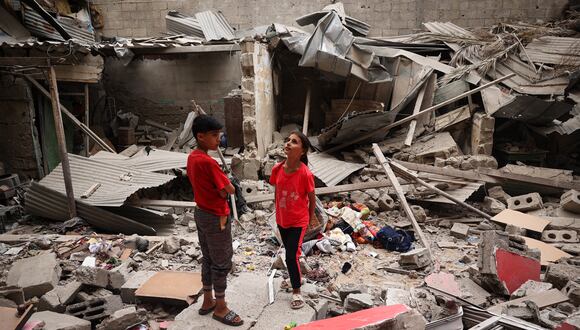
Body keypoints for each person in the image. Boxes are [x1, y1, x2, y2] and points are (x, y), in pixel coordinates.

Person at [186, 114, 243, 327]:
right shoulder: (208, 162)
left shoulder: (192, 158)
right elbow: (227, 189)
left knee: (208, 258)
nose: (218, 139)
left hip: (201, 212)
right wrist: (227, 188)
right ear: (200, 136)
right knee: (222, 262)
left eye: (219, 135)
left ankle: (207, 299)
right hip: (216, 216)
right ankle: (221, 307)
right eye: (214, 135)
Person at [269, 130, 315, 309]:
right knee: (292, 254)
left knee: (290, 255)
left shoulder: (305, 174)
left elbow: (312, 200)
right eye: (288, 140)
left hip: (298, 221)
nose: (288, 143)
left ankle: (296, 291)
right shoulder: (277, 169)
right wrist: (277, 210)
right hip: (282, 219)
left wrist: (309, 220)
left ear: (302, 151)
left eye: (294, 142)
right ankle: (296, 278)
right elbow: (277, 190)